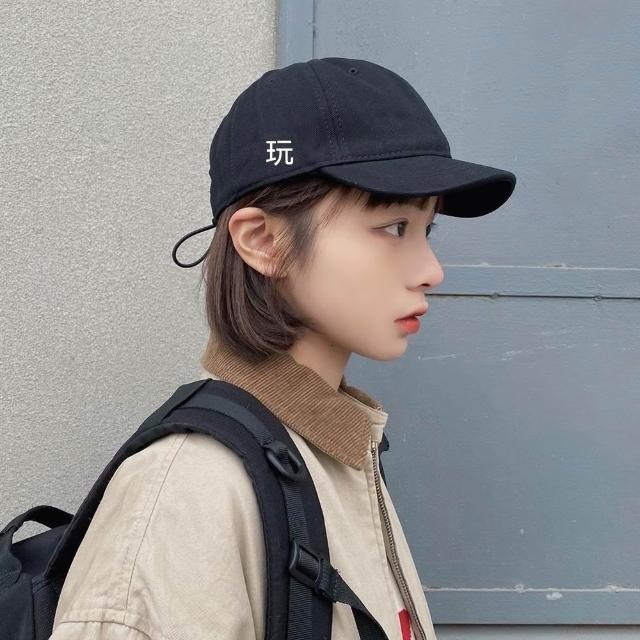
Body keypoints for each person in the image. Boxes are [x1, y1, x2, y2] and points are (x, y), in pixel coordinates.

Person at [50, 57, 516, 640]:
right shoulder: (192, 490)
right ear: (264, 241)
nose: (431, 271)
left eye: (428, 230)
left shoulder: (337, 448)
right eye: (394, 227)